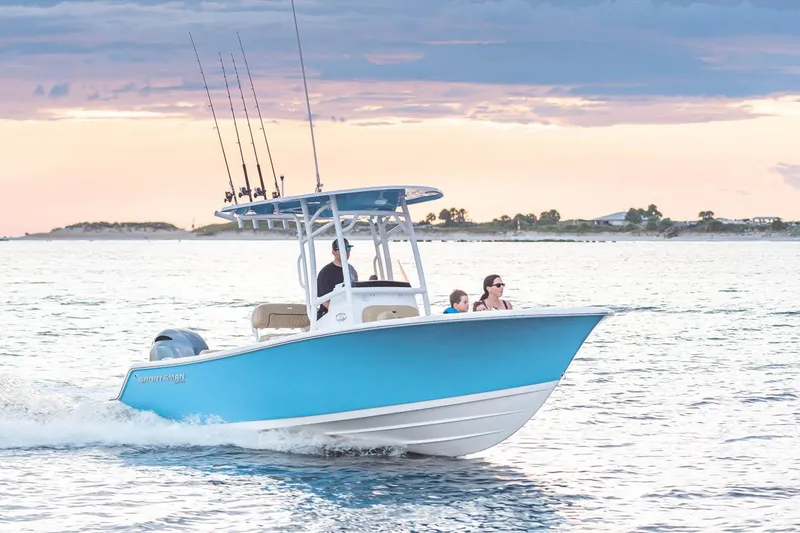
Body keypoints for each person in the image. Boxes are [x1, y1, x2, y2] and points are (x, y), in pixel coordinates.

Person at [316, 237, 358, 319]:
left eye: (348, 249)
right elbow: (324, 300)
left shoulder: (352, 270)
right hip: (329, 315)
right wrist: (340, 312)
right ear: (333, 252)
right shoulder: (325, 273)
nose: (346, 252)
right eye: (342, 249)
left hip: (350, 311)